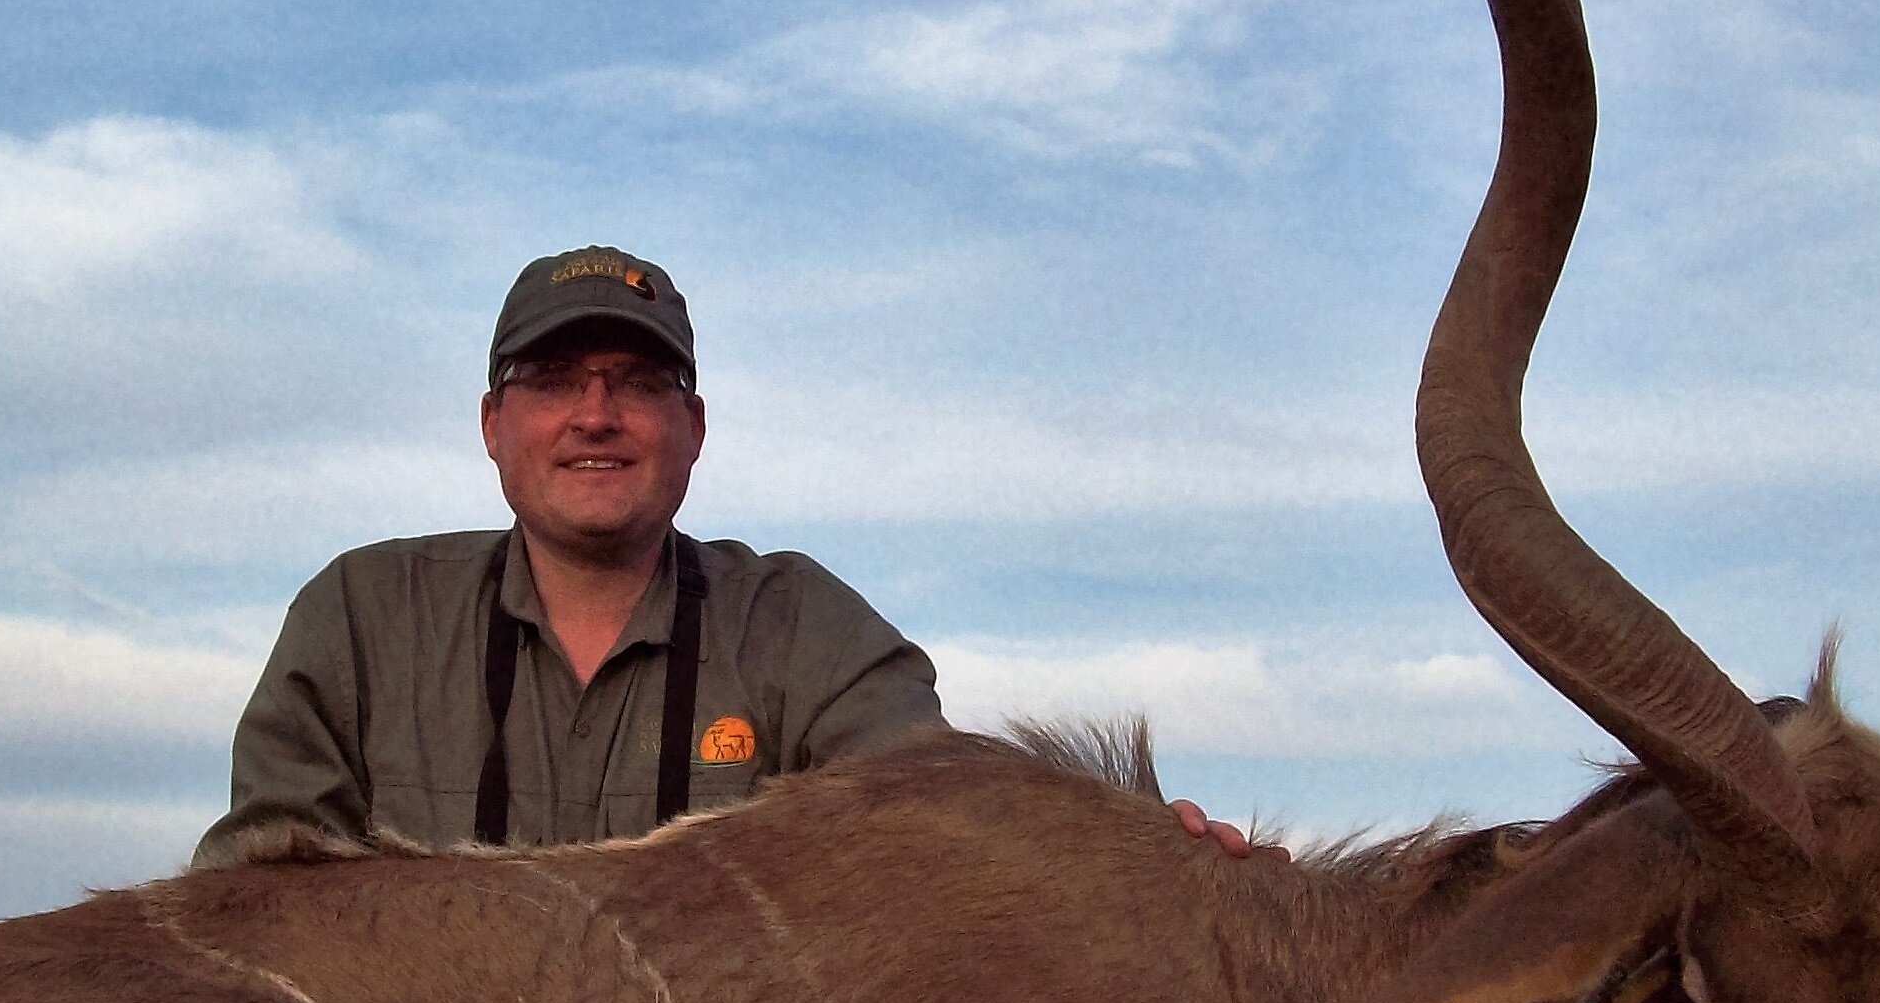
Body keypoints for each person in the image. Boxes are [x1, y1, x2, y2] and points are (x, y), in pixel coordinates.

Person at [195, 245, 1259, 866]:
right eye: (556, 380)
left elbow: (938, 813)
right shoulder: (364, 616)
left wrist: (1116, 854)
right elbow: (251, 910)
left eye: (637, 383)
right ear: (491, 423)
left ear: (692, 427)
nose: (596, 416)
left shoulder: (798, 625)